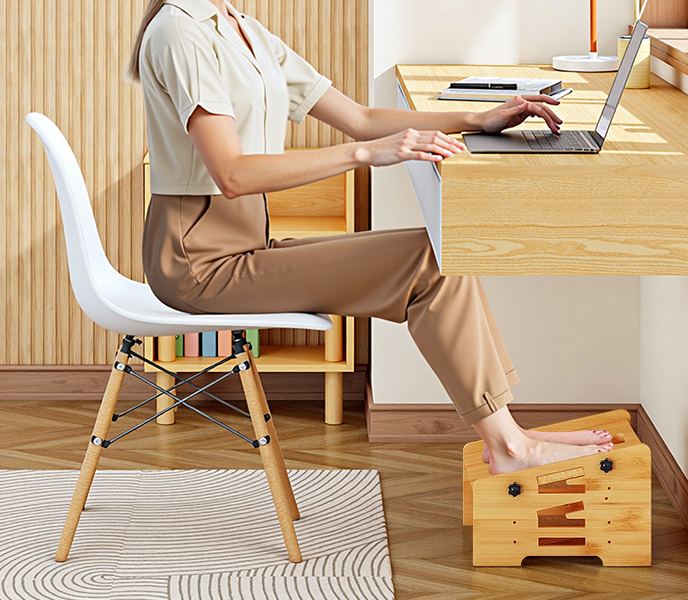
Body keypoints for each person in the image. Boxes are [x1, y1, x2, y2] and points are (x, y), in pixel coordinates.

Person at [134, 0, 612, 475]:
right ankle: (509, 445)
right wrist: (367, 154)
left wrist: (477, 120)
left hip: (247, 244)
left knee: (436, 254)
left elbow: (359, 117)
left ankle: (510, 435)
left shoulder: (243, 29)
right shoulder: (180, 31)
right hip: (199, 262)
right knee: (426, 262)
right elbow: (233, 174)